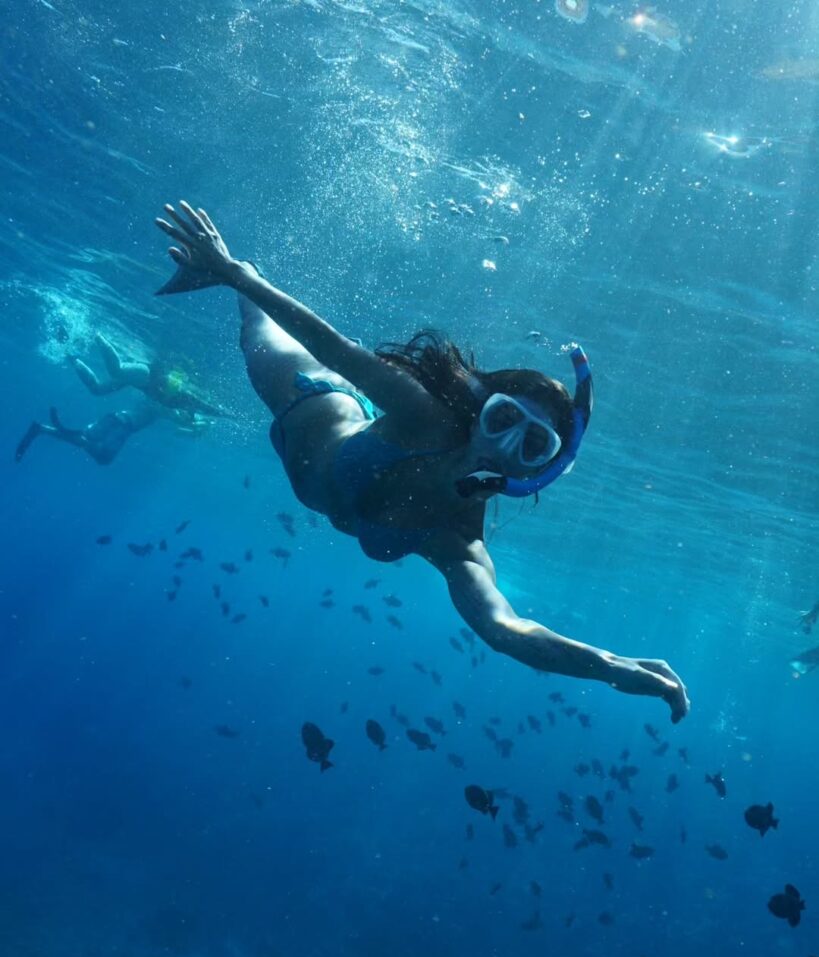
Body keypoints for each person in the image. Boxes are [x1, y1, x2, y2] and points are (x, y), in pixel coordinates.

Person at [153, 200, 690, 722]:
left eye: (532, 445)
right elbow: (332, 345)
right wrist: (233, 274)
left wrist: (607, 666)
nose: (505, 447)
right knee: (257, 329)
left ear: (539, 470)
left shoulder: (458, 537)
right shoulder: (422, 415)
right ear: (481, 412)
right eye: (504, 420)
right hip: (311, 401)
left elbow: (504, 629)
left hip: (323, 449)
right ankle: (242, 271)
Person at [71, 332, 230, 420]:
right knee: (116, 371)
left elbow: (201, 409)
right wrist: (227, 415)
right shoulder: (187, 398)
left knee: (98, 390)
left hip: (138, 382)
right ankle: (98, 337)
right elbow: (206, 407)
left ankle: (73, 360)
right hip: (145, 375)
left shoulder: (178, 406)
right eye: (190, 412)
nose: (188, 413)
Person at [15, 403, 159, 465]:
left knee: (94, 447)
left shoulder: (153, 399)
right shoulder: (160, 406)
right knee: (103, 457)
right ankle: (42, 429)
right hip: (122, 425)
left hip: (118, 420)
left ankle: (42, 429)